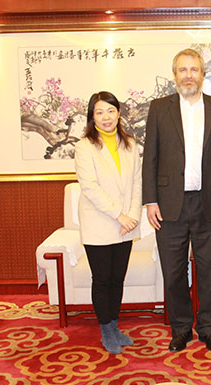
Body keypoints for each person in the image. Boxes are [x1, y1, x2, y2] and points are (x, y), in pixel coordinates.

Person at [142, 48, 211, 353]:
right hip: (169, 205)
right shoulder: (159, 108)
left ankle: (207, 328)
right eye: (183, 70)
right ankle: (181, 328)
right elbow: (150, 157)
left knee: (210, 270)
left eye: (194, 69)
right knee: (173, 271)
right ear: (175, 75)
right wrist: (150, 200)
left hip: (209, 203)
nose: (188, 75)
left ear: (203, 74)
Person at [74, 91, 142, 354]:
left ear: (119, 113)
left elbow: (137, 183)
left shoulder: (130, 144)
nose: (106, 117)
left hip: (126, 224)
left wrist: (132, 216)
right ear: (92, 116)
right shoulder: (85, 146)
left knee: (117, 278)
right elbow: (90, 188)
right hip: (99, 223)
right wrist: (119, 215)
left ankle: (114, 325)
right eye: (99, 112)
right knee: (102, 279)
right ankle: (105, 328)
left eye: (111, 111)